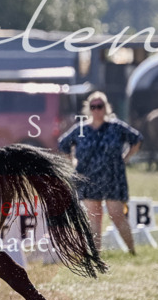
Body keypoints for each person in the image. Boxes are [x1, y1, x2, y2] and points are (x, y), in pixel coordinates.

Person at [58, 92, 142, 255]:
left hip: (113, 178)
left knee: (116, 215)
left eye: (100, 106)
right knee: (94, 218)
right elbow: (63, 144)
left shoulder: (116, 127)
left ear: (106, 108)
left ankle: (132, 251)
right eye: (93, 107)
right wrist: (72, 162)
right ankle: (95, 254)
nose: (96, 110)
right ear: (89, 109)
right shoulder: (81, 129)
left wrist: (126, 157)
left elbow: (137, 139)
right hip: (88, 177)